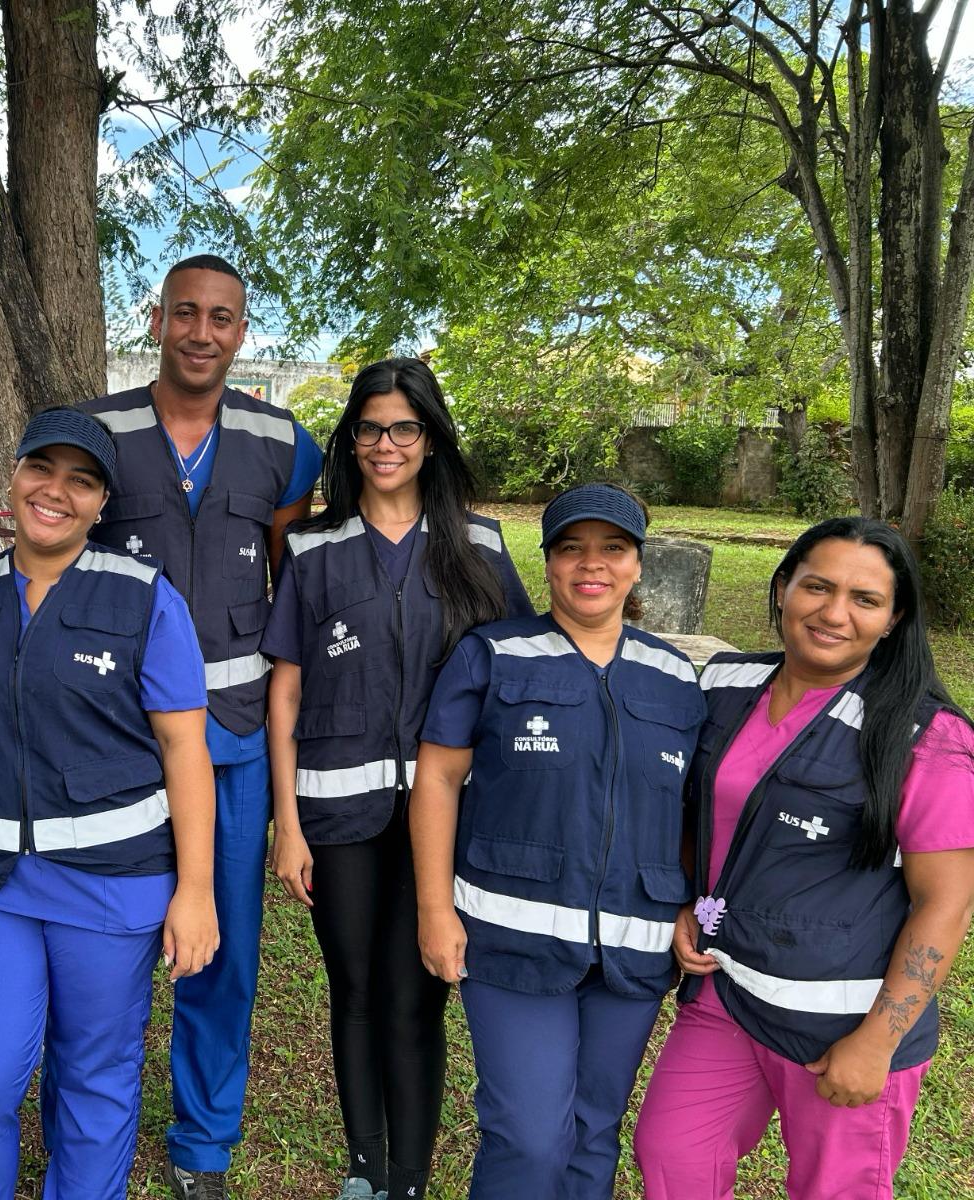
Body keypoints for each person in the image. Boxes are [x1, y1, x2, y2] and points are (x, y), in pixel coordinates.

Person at [633, 517, 974, 1200]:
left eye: (864, 599)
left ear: (893, 617)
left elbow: (948, 901)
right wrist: (688, 907)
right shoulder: (726, 685)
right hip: (726, 994)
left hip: (841, 1025)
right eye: (817, 586)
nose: (833, 612)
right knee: (672, 1158)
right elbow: (711, 817)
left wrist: (877, 1040)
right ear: (784, 587)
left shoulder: (925, 737)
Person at [0, 406, 220, 1199]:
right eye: (40, 470)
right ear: (12, 476)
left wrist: (195, 891)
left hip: (113, 880)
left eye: (81, 480)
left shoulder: (143, 598)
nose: (55, 491)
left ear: (100, 502)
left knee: (95, 1075)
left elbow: (185, 750)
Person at [80, 254, 323, 1198]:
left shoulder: (280, 440)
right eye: (185, 312)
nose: (201, 332)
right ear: (156, 319)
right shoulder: (97, 430)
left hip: (232, 737)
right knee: (105, 943)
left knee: (217, 944)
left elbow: (280, 564)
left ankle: (203, 1143)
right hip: (115, 736)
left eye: (221, 317)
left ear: (241, 331)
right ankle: (89, 1120)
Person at [262, 358, 532, 1200]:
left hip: (445, 815)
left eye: (404, 428)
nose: (386, 445)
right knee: (355, 987)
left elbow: (516, 667)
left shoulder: (479, 544)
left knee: (418, 996)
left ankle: (409, 1179)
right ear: (352, 440)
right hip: (336, 809)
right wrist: (289, 826)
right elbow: (287, 690)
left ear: (430, 438)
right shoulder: (312, 547)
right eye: (371, 429)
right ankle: (363, 1165)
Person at [410, 482, 705, 1199]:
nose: (590, 565)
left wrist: (691, 907)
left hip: (633, 950)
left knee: (592, 1132)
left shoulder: (675, 676)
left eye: (612, 549)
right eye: (571, 549)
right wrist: (434, 910)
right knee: (531, 1137)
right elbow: (439, 780)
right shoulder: (495, 654)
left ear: (637, 564)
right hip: (513, 944)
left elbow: (693, 808)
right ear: (547, 562)